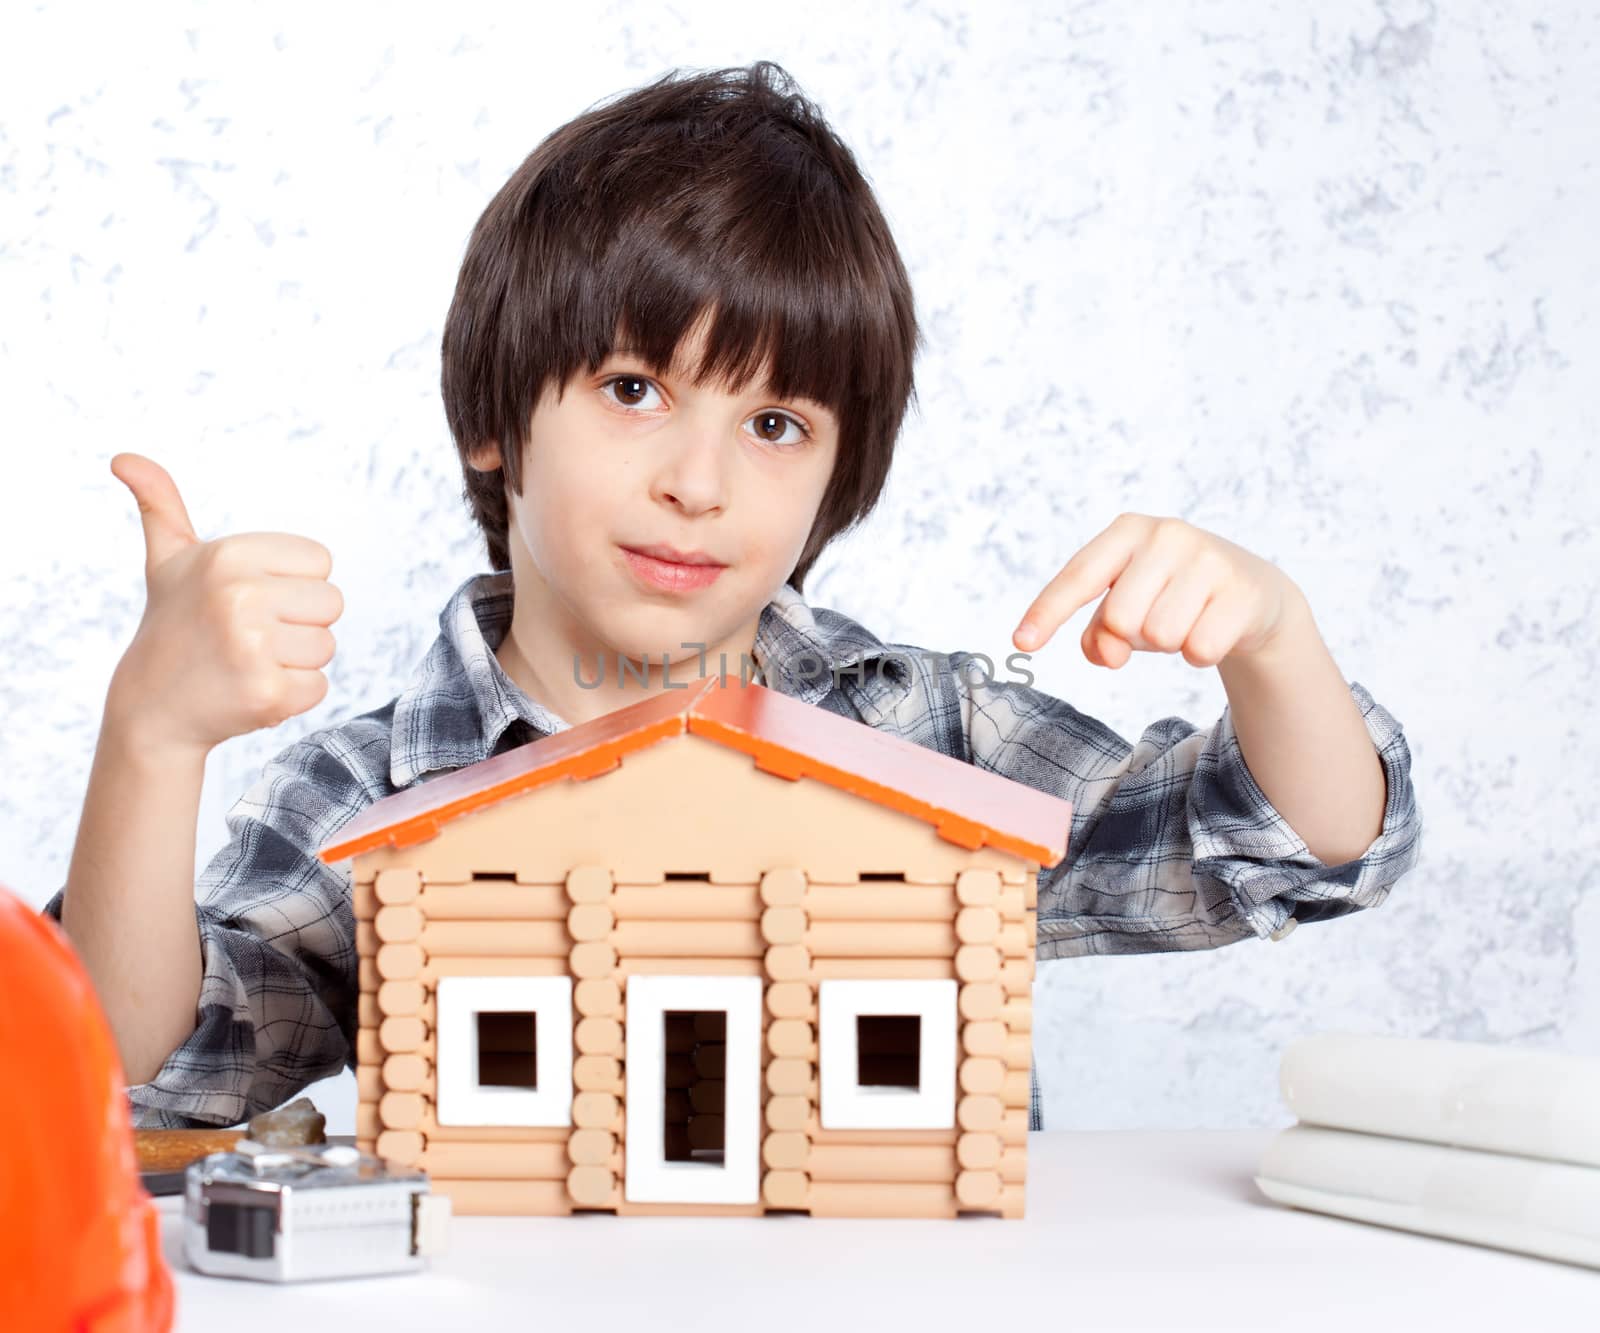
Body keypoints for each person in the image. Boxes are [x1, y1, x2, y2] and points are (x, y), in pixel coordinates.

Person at [46, 61, 1421, 1132]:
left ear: (835, 474)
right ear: (495, 420)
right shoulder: (370, 790)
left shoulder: (917, 734)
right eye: (633, 390)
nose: (698, 484)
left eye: (776, 425)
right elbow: (134, 1074)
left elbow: (1303, 848)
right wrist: (152, 739)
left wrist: (1273, 640)